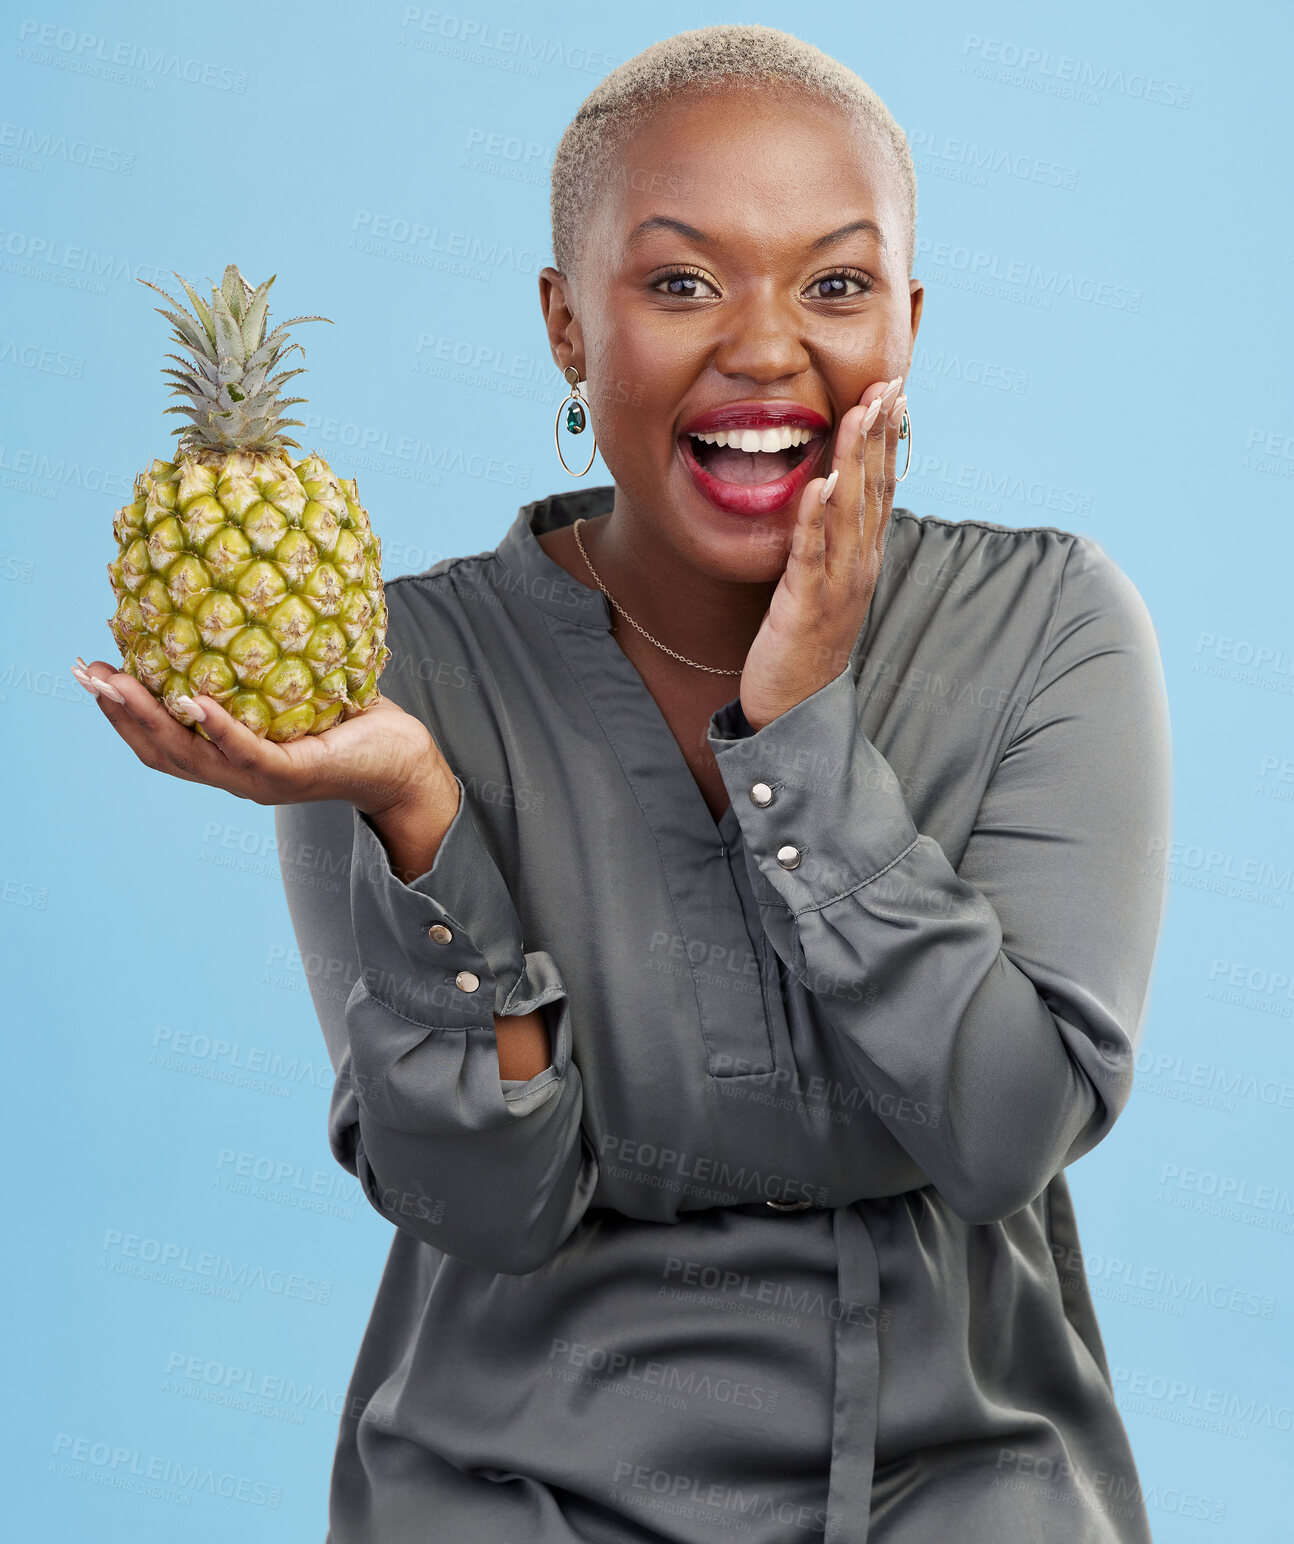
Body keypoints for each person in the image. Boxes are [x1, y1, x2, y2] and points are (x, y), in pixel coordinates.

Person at [73, 23, 1172, 1543]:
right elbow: (486, 1207)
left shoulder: (1046, 628)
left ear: (908, 324)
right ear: (563, 327)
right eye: (677, 281)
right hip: (503, 1488)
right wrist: (416, 815)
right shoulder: (392, 670)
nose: (766, 345)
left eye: (836, 284)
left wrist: (797, 737)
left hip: (956, 1475)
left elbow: (999, 1139)